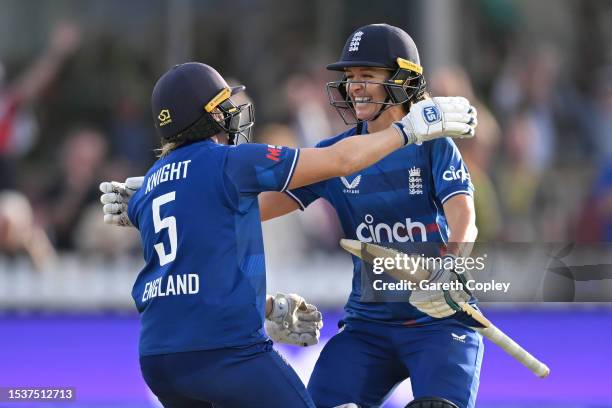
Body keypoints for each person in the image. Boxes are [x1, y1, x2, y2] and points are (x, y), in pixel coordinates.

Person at [100, 61, 476, 407]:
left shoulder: (149, 188)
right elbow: (340, 162)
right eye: (223, 107)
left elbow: (197, 270)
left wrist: (266, 308)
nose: (233, 114)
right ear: (207, 116)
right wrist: (408, 130)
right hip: (227, 351)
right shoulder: (231, 162)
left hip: (158, 360)